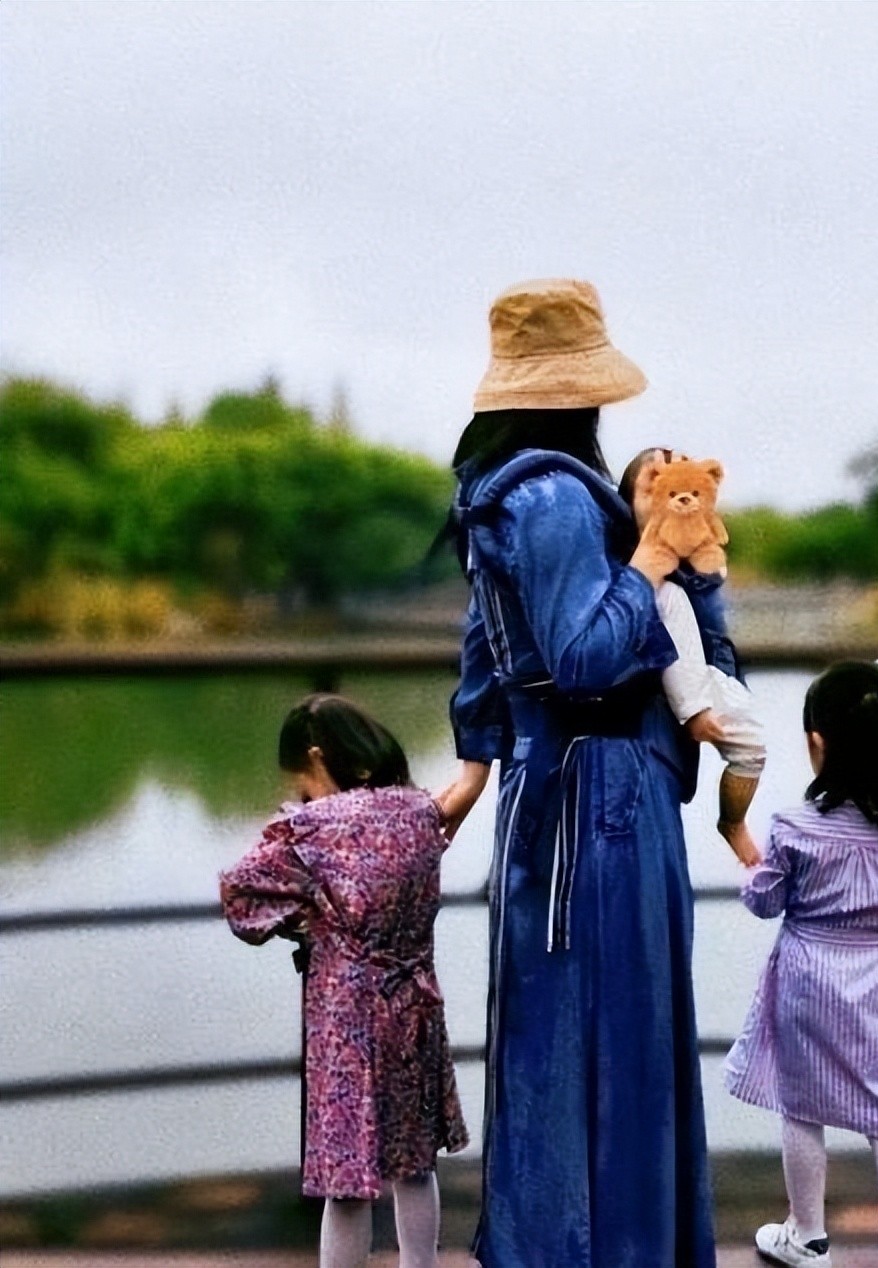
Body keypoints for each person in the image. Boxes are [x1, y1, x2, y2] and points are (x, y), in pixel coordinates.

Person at [438, 278, 719, 1268]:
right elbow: (587, 656)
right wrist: (647, 565)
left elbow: (485, 654)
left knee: (551, 1036)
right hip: (600, 796)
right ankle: (619, 1246)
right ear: (579, 393)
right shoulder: (557, 496)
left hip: (545, 796)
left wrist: (476, 765)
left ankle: (550, 1242)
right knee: (619, 1035)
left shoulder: (502, 491)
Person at [219, 693, 467, 1268]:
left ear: (315, 757)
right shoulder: (416, 811)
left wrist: (300, 921)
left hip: (347, 1016)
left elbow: (241, 894)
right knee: (414, 1163)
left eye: (302, 778)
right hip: (414, 1003)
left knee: (346, 1177)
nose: (302, 792)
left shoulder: (310, 829)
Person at [724, 660, 878, 1268]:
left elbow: (764, 900)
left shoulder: (797, 828)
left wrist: (751, 859)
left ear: (817, 744)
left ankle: (807, 1234)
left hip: (807, 982)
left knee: (803, 1105)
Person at [618, 446, 766, 868]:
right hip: (671, 705)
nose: (675, 500)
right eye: (655, 486)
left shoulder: (702, 559)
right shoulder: (638, 574)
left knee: (753, 744)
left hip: (709, 672)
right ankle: (732, 823)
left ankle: (733, 821)